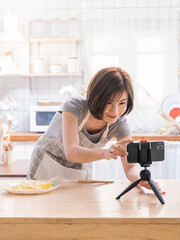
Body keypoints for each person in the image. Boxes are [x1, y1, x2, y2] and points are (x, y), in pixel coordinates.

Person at [27, 67, 165, 194]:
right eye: (108, 102)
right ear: (97, 97)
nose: (115, 111)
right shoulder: (75, 107)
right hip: (47, 164)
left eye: (122, 103)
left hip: (79, 168)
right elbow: (72, 151)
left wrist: (140, 179)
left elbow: (130, 167)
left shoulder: (120, 124)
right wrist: (105, 152)